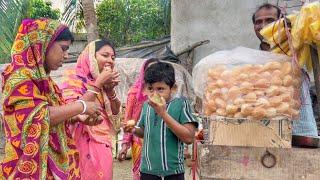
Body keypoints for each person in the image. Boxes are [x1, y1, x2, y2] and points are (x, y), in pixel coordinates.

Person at [0, 18, 112, 179]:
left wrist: (75, 118)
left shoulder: (46, 82)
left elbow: (58, 115)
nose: (66, 56)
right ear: (43, 45)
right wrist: (82, 107)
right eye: (63, 49)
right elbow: (39, 116)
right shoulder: (19, 79)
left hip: (49, 165)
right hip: (27, 164)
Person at [252, 3, 318, 137]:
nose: (263, 25)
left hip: (301, 132)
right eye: (258, 22)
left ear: (282, 22)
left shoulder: (299, 49)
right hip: (265, 133)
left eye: (270, 20)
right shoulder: (252, 60)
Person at [124, 62, 198, 180]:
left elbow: (189, 138)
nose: (154, 94)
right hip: (147, 171)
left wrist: (163, 114)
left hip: (173, 172)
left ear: (173, 88)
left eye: (160, 89)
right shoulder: (146, 106)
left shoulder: (181, 104)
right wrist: (133, 129)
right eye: (150, 89)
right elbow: (144, 131)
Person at [60, 39, 121, 180]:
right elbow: (71, 110)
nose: (110, 61)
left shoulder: (106, 82)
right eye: (105, 55)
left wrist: (110, 91)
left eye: (113, 57)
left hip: (103, 144)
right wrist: (98, 83)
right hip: (78, 144)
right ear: (91, 56)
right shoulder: (73, 77)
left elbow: (116, 117)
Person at [117, 58, 159, 180]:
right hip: (140, 142)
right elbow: (129, 119)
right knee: (141, 175)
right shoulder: (135, 93)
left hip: (160, 141)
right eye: (150, 69)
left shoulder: (164, 93)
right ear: (144, 71)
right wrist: (125, 145)